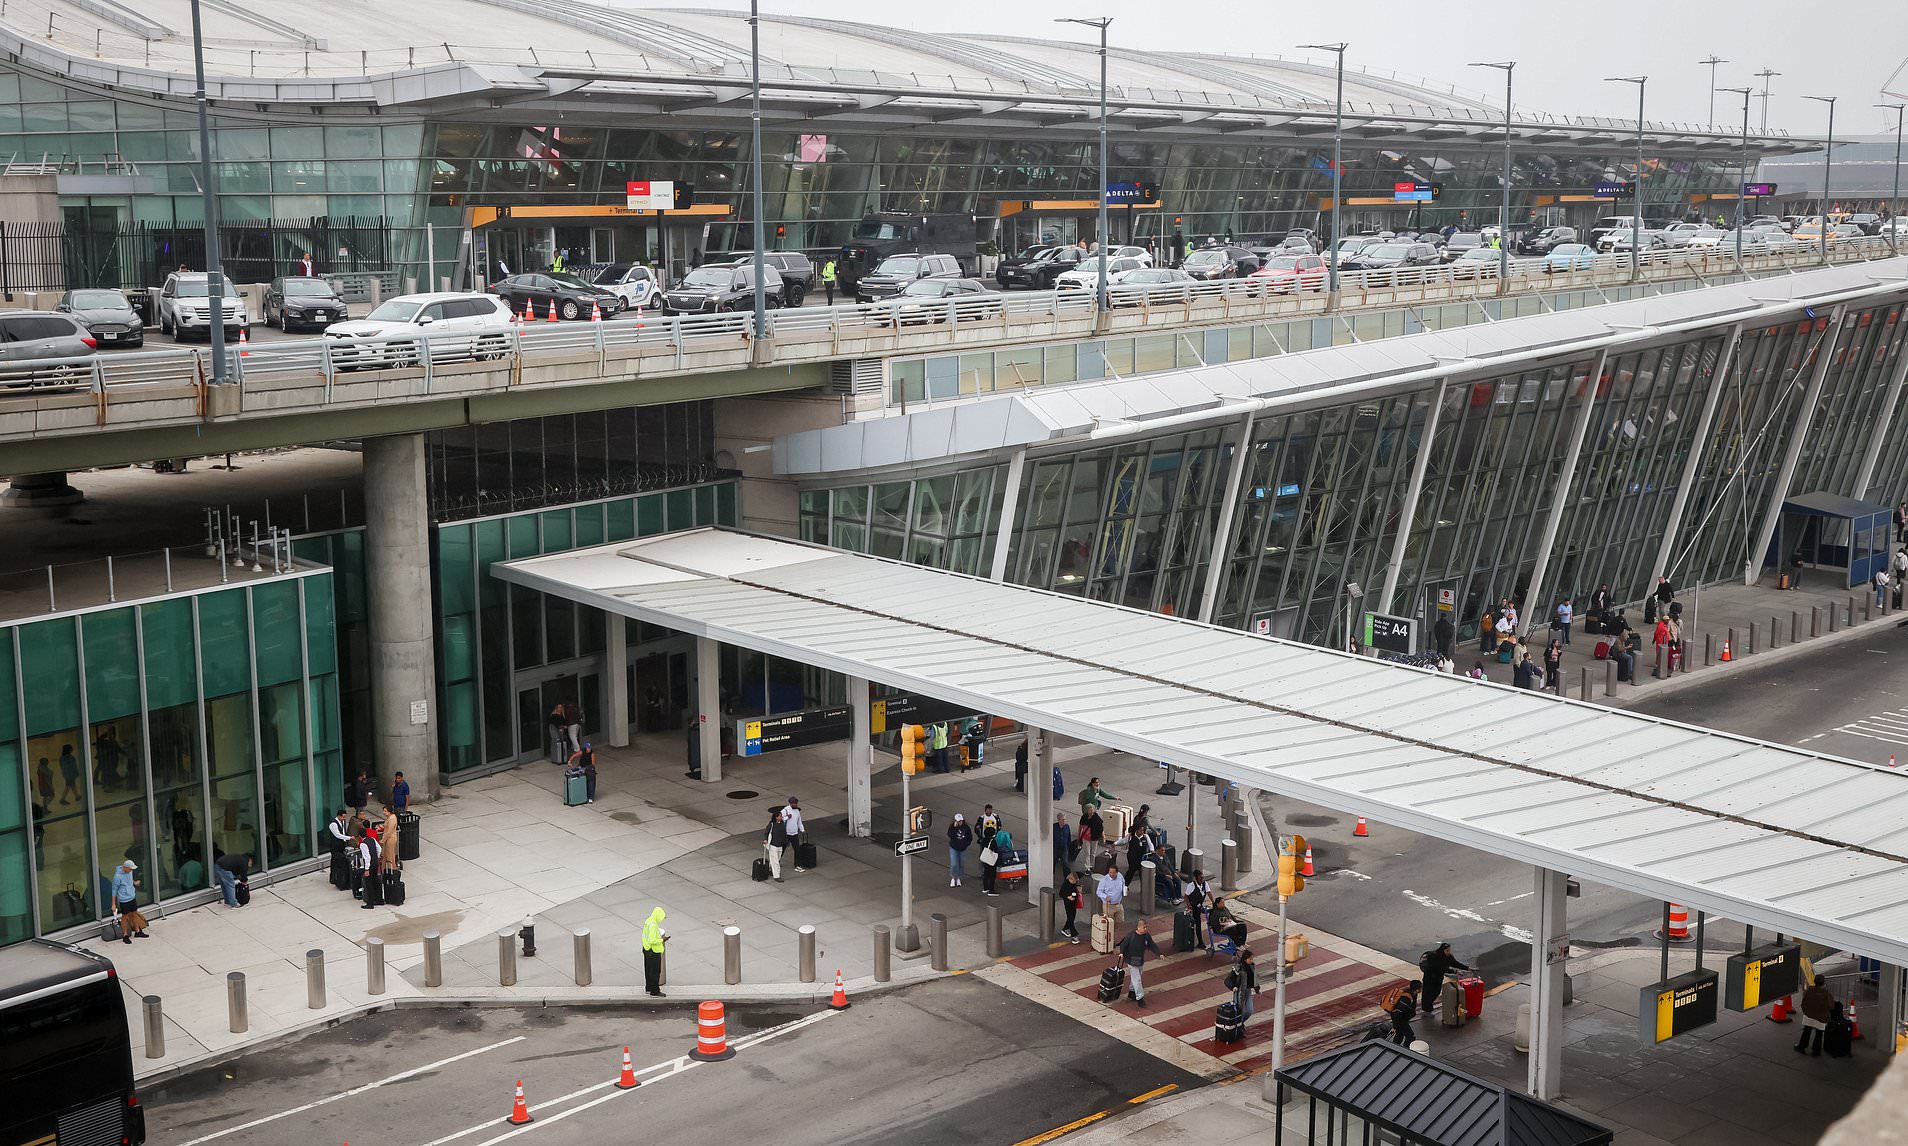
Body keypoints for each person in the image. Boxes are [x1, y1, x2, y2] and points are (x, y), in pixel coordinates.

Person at [1118, 920, 1163, 1007]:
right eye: (1144, 927)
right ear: (1138, 928)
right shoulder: (1131, 936)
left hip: (1140, 961)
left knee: (1136, 977)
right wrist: (1121, 953)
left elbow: (1152, 944)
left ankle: (1132, 992)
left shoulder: (1146, 936)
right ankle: (1140, 998)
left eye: (1146, 927)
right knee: (1137, 979)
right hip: (1131, 961)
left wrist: (1159, 953)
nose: (1146, 929)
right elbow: (1123, 945)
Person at [1419, 942, 1471, 1014]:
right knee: (1427, 994)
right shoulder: (1434, 957)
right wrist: (1455, 971)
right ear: (1442, 950)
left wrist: (1468, 968)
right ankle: (1427, 1010)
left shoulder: (1448, 957)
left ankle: (1428, 1007)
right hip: (1429, 977)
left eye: (1449, 950)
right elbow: (1441, 968)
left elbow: (1456, 963)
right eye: (1447, 950)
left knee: (1436, 992)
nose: (1449, 952)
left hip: (1438, 978)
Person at [110, 860, 147, 943]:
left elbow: (130, 880)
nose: (132, 870)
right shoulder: (117, 877)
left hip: (132, 897)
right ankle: (125, 935)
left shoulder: (129, 872)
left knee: (135, 914)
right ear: (125, 867)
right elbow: (114, 890)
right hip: (124, 900)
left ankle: (138, 931)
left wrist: (134, 883)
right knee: (125, 917)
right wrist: (113, 904)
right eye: (130, 869)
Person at [1796, 976, 1835, 1055]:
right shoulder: (1826, 994)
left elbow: (1804, 1002)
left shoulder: (1809, 991)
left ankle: (1801, 1047)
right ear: (1823, 983)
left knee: (1807, 1031)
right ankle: (1816, 1051)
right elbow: (1831, 1006)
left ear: (1814, 982)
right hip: (1821, 1017)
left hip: (1809, 1015)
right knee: (1819, 1034)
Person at [641, 907, 668, 998]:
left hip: (647, 949)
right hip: (653, 951)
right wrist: (662, 940)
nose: (661, 919)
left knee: (648, 970)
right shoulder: (653, 925)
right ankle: (654, 991)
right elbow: (652, 940)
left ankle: (648, 988)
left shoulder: (649, 920)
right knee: (655, 971)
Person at [982, 824, 1013, 898]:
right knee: (992, 875)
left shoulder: (984, 840)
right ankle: (991, 890)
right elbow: (995, 850)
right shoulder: (992, 841)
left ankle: (985, 888)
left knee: (986, 873)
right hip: (991, 860)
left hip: (985, 859)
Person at [1229, 947, 1259, 1024]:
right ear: (1245, 959)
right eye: (1250, 958)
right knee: (1239, 1011)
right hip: (1239, 991)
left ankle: (1239, 1024)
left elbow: (1255, 978)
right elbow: (1233, 978)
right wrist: (1234, 987)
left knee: (1249, 1011)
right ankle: (1238, 1026)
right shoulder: (1239, 967)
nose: (1252, 960)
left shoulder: (1252, 966)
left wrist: (1257, 988)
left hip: (1248, 990)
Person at [1183, 869, 1213, 947]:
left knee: (1198, 923)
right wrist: (1189, 905)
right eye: (1200, 878)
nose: (1202, 879)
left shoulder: (1205, 884)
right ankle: (1195, 941)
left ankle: (1199, 941)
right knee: (1194, 923)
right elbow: (1186, 897)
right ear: (1196, 878)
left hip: (1199, 905)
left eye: (1203, 878)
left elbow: (1209, 893)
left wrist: (1213, 902)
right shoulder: (1191, 885)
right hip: (1192, 907)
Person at [326, 809, 352, 890]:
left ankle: (336, 877)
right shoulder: (333, 824)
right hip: (335, 846)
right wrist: (348, 838)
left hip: (341, 845)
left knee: (338, 862)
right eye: (343, 817)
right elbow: (337, 835)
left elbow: (343, 832)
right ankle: (333, 878)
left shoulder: (342, 822)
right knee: (335, 861)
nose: (344, 818)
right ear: (339, 816)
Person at [1390, 980, 1422, 1045]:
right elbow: (1398, 1013)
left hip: (1402, 1017)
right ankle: (1405, 1051)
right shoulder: (1406, 998)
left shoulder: (1413, 993)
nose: (1422, 989)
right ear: (1417, 990)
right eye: (1421, 988)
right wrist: (1394, 1027)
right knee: (1410, 1037)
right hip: (1400, 1019)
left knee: (1399, 1035)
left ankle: (1395, 1049)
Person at [358, 829, 383, 908]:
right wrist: (377, 857)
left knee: (369, 884)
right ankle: (379, 899)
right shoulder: (372, 839)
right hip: (376, 862)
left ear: (360, 836)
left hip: (370, 865)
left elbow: (367, 857)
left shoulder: (363, 844)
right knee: (376, 881)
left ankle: (370, 903)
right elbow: (379, 849)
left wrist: (366, 869)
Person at [780, 796, 807, 872]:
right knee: (782, 849)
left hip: (794, 834)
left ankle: (797, 865)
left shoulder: (797, 811)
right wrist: (787, 817)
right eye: (795, 803)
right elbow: (779, 819)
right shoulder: (785, 810)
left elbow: (799, 822)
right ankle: (776, 862)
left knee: (797, 850)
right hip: (786, 834)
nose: (796, 805)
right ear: (791, 803)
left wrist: (802, 830)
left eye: (796, 803)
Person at [947, 812, 972, 887]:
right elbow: (950, 835)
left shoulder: (966, 827)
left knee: (961, 864)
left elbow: (970, 837)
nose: (960, 822)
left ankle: (958, 878)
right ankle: (953, 878)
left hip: (963, 849)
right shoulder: (952, 827)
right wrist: (954, 828)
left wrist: (966, 844)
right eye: (958, 821)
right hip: (954, 848)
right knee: (954, 863)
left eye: (961, 821)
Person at [1059, 870, 1083, 943]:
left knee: (1073, 916)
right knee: (1070, 917)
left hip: (1074, 902)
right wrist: (1067, 897)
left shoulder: (1074, 881)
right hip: (1068, 903)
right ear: (1070, 879)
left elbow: (1080, 873)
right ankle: (1074, 935)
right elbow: (1061, 893)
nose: (1075, 882)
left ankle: (1065, 929)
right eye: (1074, 881)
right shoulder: (1065, 884)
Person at [762, 807, 786, 882]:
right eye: (780, 816)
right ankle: (777, 876)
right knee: (776, 861)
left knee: (777, 859)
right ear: (776, 817)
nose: (781, 817)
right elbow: (766, 832)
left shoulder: (782, 823)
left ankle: (770, 869)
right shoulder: (772, 824)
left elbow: (783, 834)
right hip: (773, 845)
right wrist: (765, 840)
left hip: (780, 845)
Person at [1052, 811, 1073, 885]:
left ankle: (1067, 879)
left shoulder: (1067, 827)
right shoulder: (1054, 827)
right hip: (1055, 849)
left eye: (1065, 819)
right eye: (1062, 819)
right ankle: (1051, 876)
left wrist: (1068, 847)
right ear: (1059, 820)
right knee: (1053, 862)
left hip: (1064, 849)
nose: (1064, 821)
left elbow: (1069, 837)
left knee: (1065, 864)